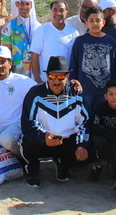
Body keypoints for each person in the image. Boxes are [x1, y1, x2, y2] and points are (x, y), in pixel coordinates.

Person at [20, 56, 95, 187]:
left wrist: (82, 145)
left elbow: (85, 121)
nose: (56, 81)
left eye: (60, 77)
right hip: (43, 140)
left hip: (65, 141)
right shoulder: (35, 93)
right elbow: (28, 123)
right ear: (47, 76)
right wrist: (44, 136)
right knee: (28, 142)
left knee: (89, 153)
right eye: (52, 76)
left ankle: (62, 164)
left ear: (67, 76)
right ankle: (33, 169)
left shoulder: (76, 93)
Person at [69, 7, 116, 117]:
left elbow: (115, 65)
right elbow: (74, 64)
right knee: (85, 118)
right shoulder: (80, 41)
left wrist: (115, 87)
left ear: (103, 22)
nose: (95, 23)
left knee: (103, 118)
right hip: (85, 89)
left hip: (105, 91)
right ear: (86, 22)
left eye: (98, 20)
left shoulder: (110, 41)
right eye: (91, 20)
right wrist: (73, 82)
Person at [30, 0, 80, 83]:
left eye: (61, 10)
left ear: (66, 12)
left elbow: (76, 57)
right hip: (46, 80)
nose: (58, 13)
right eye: (55, 10)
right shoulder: (41, 30)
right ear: (51, 12)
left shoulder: (73, 32)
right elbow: (34, 56)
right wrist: (38, 79)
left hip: (66, 81)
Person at [91, 80, 116, 167]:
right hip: (105, 140)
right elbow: (94, 127)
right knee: (96, 137)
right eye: (111, 94)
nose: (114, 97)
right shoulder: (100, 108)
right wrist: (115, 135)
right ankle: (99, 162)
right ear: (106, 96)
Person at [1, 0, 41, 76]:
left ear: (31, 6)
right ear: (17, 4)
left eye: (27, 4)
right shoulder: (9, 26)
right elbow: (5, 51)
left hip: (35, 71)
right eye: (22, 4)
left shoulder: (39, 27)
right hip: (16, 71)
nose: (24, 7)